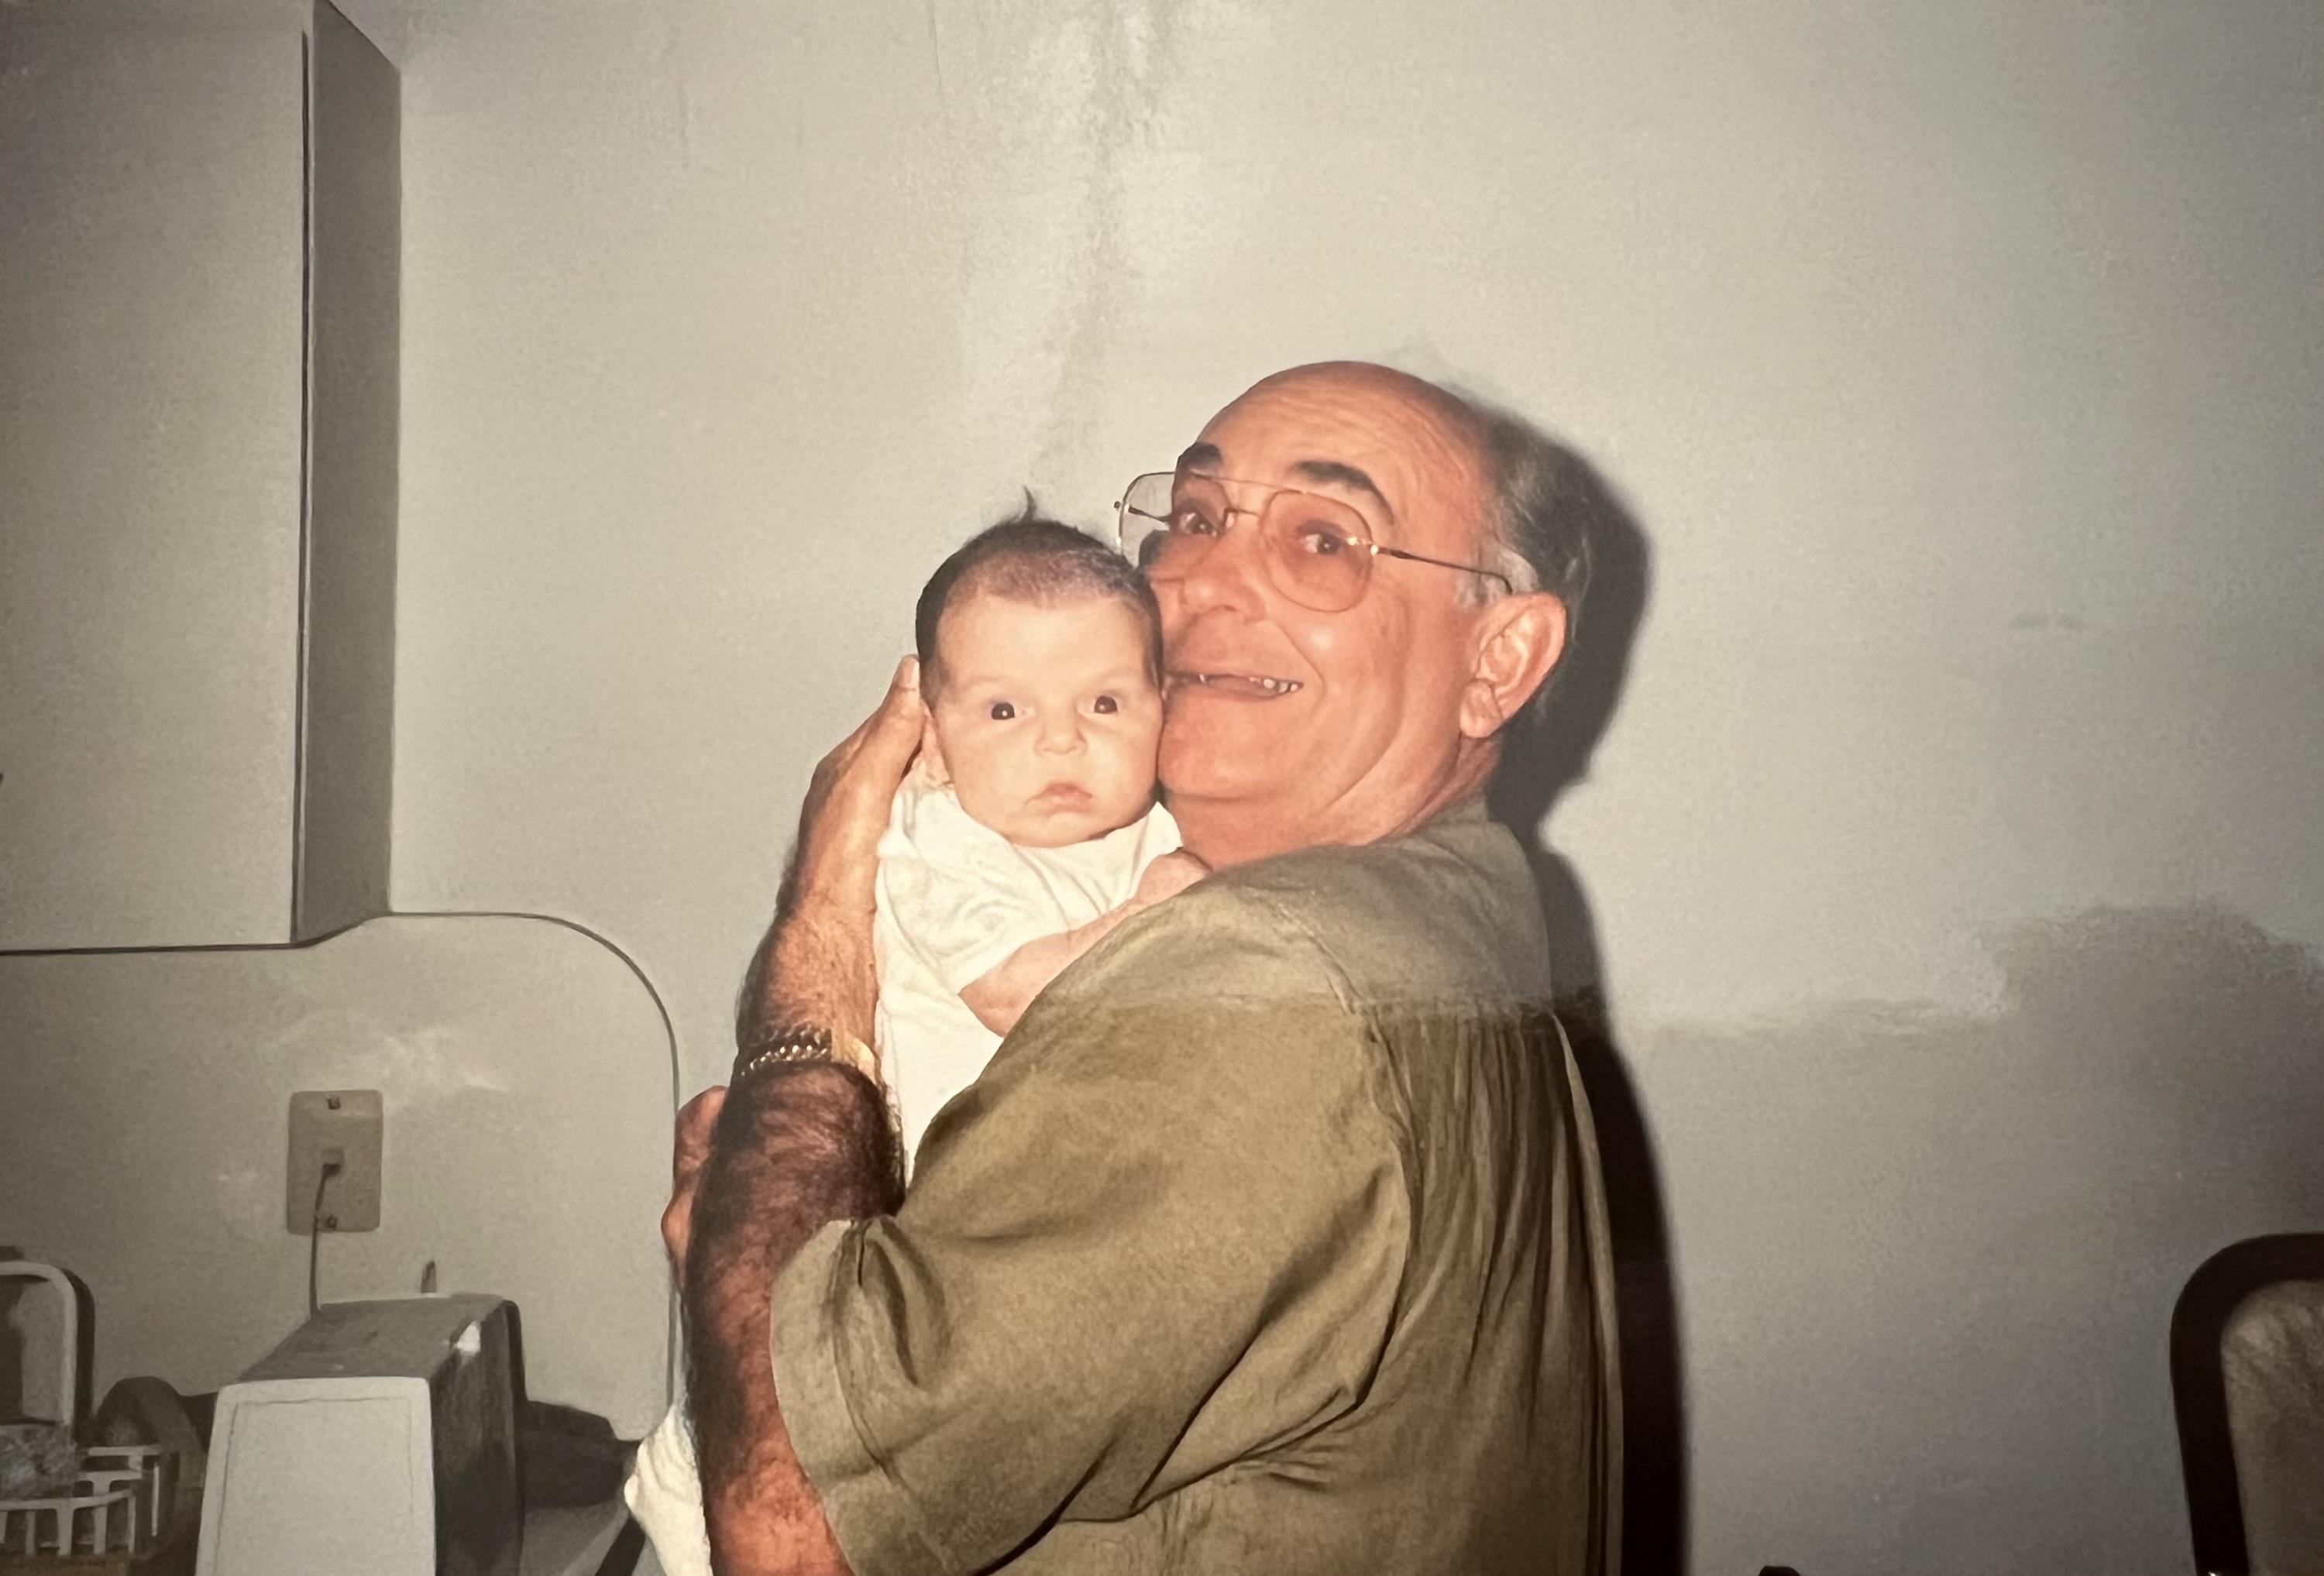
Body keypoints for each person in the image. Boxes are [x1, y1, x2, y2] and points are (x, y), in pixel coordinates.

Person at [666, 361, 1621, 1574]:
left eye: (1325, 539)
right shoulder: (1472, 906)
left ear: (1497, 661)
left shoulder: (1258, 973)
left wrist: (816, 943)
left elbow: (791, 1534)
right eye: (1196, 519)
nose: (1202, 579)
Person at [628, 512, 1201, 1574]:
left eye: (1108, 703)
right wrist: (1160, 916)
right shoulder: (936, 838)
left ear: (1166, 711)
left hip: (1003, 1223)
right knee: (823, 1393)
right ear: (930, 734)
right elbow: (1016, 993)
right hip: (893, 1200)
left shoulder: (1159, 840)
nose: (1062, 741)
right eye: (1002, 710)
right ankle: (692, 1471)